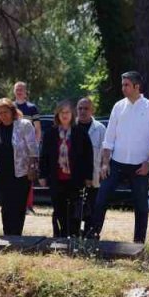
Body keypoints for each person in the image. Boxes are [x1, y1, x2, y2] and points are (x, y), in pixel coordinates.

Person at [91, 71, 149, 244]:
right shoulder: (118, 106)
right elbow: (109, 138)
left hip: (140, 166)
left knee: (141, 207)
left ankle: (138, 243)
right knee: (101, 199)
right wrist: (105, 163)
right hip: (116, 164)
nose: (123, 88)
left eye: (126, 85)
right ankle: (92, 238)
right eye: (122, 85)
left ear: (137, 86)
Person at [39, 100, 94, 238]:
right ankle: (60, 237)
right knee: (59, 210)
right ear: (57, 115)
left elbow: (88, 156)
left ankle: (74, 236)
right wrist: (42, 175)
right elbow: (44, 155)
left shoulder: (80, 133)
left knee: (74, 211)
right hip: (56, 179)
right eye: (62, 112)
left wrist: (88, 177)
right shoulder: (50, 133)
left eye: (67, 112)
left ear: (72, 114)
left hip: (75, 179)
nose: (65, 115)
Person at [0, 98, 39, 236]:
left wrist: (32, 167)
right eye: (0, 112)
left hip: (21, 174)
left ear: (13, 111)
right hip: (1, 174)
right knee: (5, 207)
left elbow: (33, 149)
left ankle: (16, 235)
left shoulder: (24, 125)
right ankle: (7, 235)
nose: (3, 115)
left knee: (18, 207)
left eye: (6, 112)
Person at [75, 97, 106, 237]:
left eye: (86, 108)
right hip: (74, 177)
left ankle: (91, 235)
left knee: (93, 209)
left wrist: (103, 169)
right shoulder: (70, 126)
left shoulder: (100, 129)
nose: (82, 111)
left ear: (92, 110)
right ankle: (74, 235)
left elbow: (106, 152)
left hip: (95, 176)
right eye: (80, 108)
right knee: (75, 209)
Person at [13, 81, 40, 214]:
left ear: (25, 91)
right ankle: (15, 204)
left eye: (21, 89)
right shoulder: (10, 107)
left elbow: (38, 129)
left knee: (29, 176)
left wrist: (35, 148)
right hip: (14, 151)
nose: (19, 91)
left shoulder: (32, 108)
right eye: (17, 89)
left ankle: (28, 206)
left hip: (29, 150)